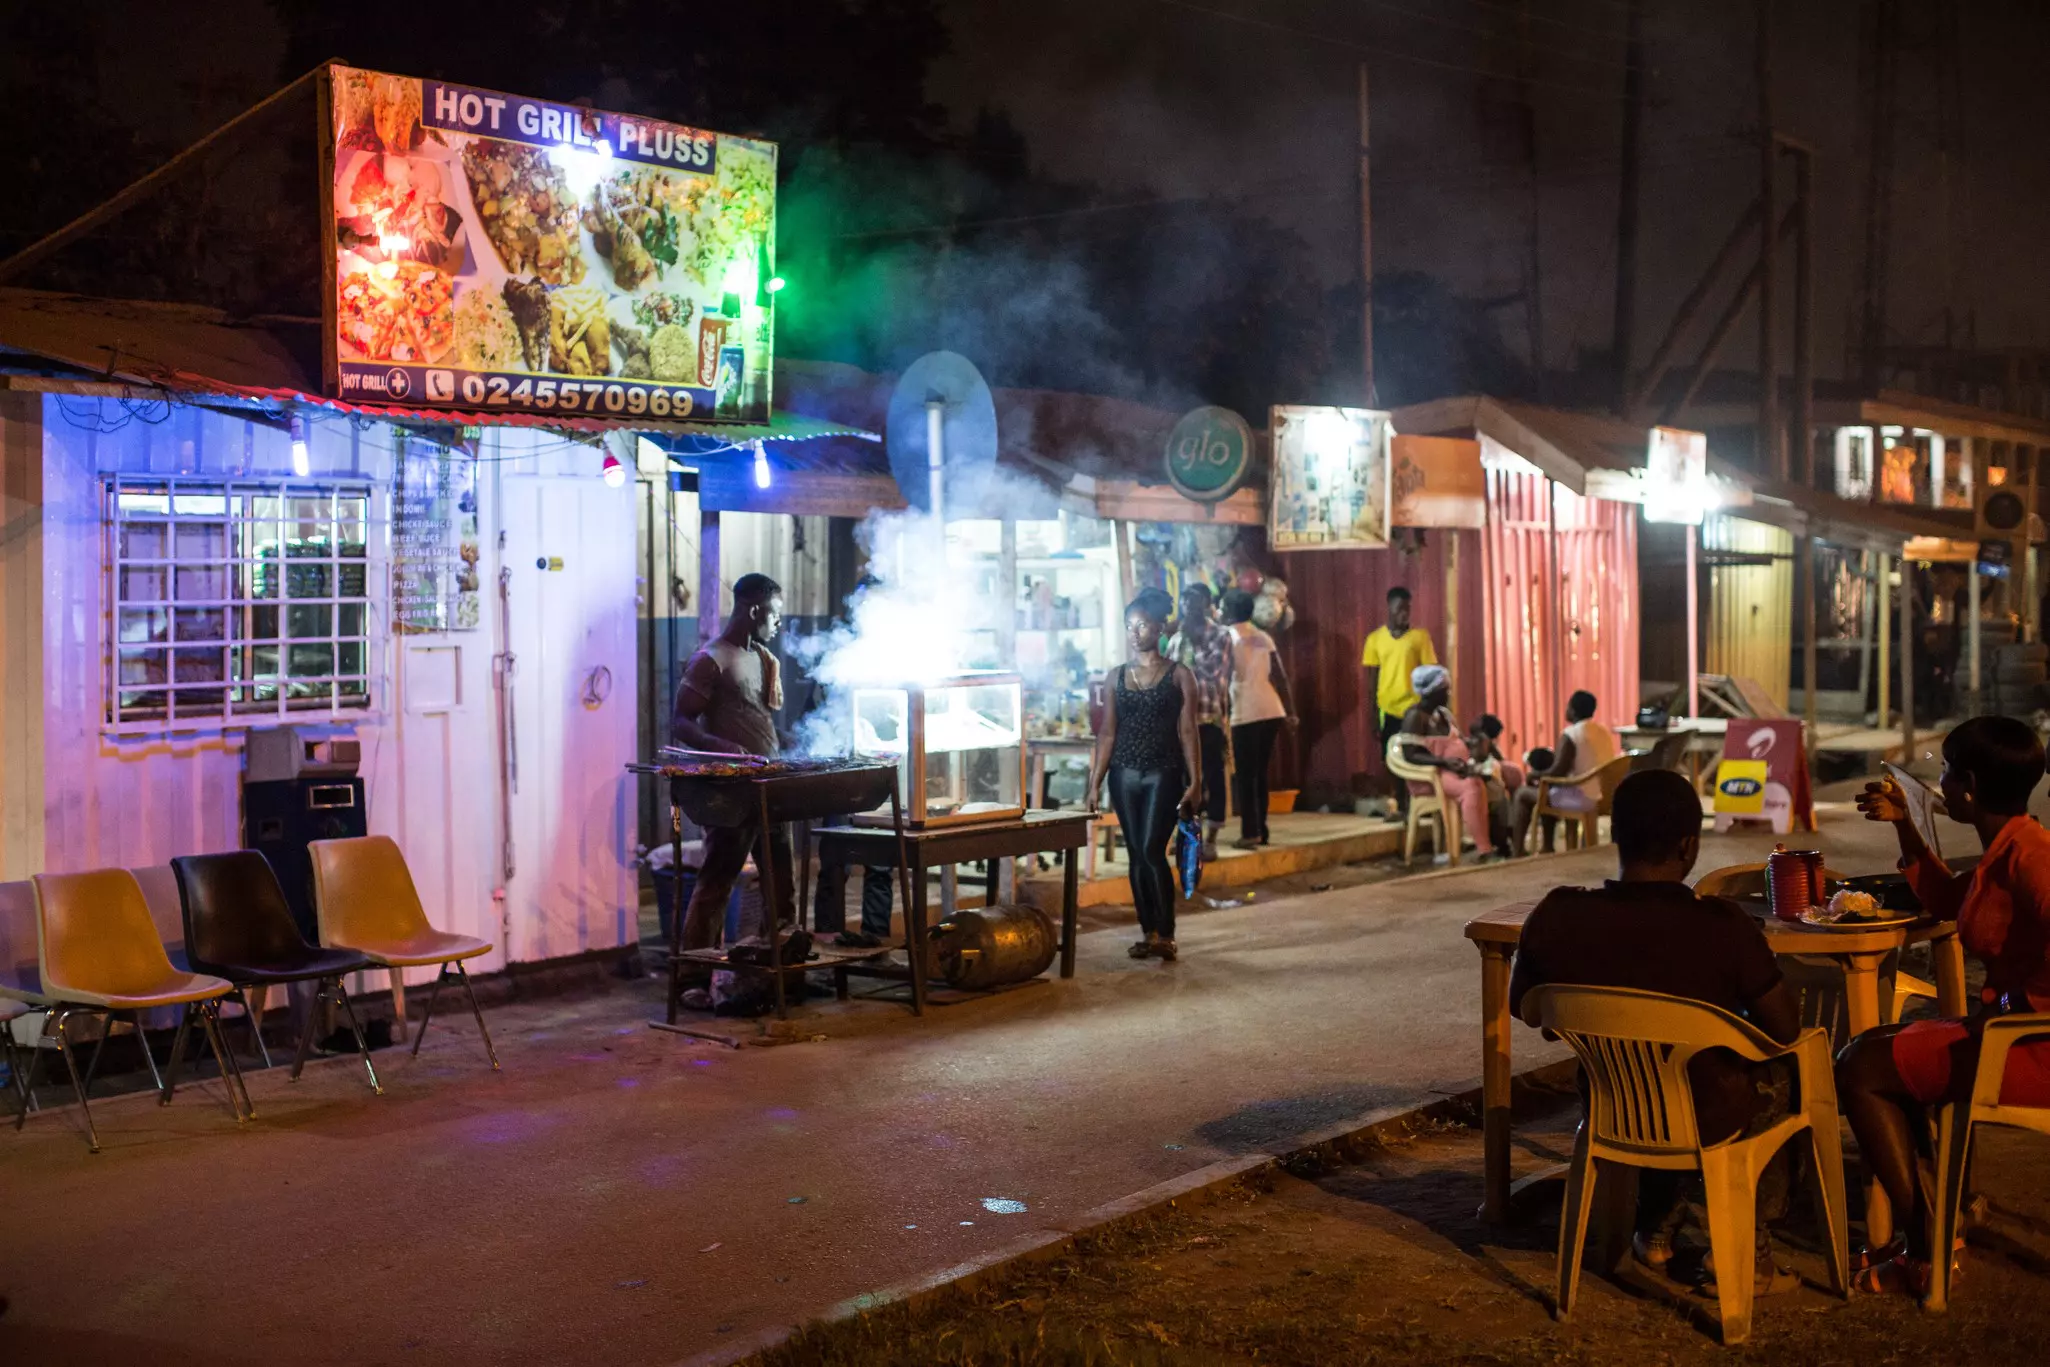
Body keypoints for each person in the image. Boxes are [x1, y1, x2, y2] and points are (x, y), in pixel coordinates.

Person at [1510, 768, 1803, 1294]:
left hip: (1611, 1104)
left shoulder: (1558, 915)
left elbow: (1528, 1010)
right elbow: (1782, 1028)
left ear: (1616, 835)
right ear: (1689, 846)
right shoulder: (1723, 925)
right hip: (1710, 1114)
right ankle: (1746, 1253)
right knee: (1784, 1069)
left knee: (1659, 1075)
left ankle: (1656, 1230)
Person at [1836, 716, 2050, 1295]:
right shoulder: (2009, 846)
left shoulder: (2031, 857)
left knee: (1858, 1067)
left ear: (1972, 785)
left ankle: (1923, 1249)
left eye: (1950, 770)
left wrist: (2016, 1004)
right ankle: (1934, 1222)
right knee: (1873, 1049)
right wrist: (1907, 825)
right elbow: (1950, 901)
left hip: (2030, 1049)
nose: (1944, 782)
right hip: (2011, 1033)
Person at [670, 573, 795, 1010]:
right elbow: (681, 722)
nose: (779, 623)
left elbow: (758, 720)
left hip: (770, 786)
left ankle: (782, 971)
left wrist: (789, 742)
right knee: (717, 881)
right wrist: (719, 745)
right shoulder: (711, 660)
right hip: (730, 793)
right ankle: (692, 979)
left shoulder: (764, 659)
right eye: (775, 614)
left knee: (781, 882)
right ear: (755, 610)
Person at [1088, 589, 1203, 962]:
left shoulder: (1179, 675)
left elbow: (1189, 731)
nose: (1135, 632)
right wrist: (1095, 783)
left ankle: (1166, 934)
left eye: (1142, 625)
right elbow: (1107, 732)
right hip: (1123, 775)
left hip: (1163, 773)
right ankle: (1148, 931)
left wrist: (1196, 782)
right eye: (1129, 626)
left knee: (1153, 850)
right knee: (1135, 854)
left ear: (1160, 626)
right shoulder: (1116, 677)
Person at [1396, 666, 1500, 860]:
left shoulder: (1444, 714)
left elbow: (1458, 740)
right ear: (1431, 692)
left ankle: (1493, 841)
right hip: (1431, 777)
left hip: (1452, 770)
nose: (1449, 694)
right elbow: (1410, 754)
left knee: (1488, 782)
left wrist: (1476, 749)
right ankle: (1484, 849)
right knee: (1471, 787)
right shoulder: (1415, 716)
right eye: (1445, 690)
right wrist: (1443, 762)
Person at [1220, 588, 1295, 849]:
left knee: (1245, 775)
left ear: (1228, 611)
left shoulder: (1227, 638)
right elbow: (1281, 677)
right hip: (1271, 708)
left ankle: (1249, 832)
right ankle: (1261, 830)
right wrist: (1291, 711)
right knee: (1260, 774)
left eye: (1221, 607)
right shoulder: (1263, 637)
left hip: (1245, 710)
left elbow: (1224, 675)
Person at [1164, 582, 1233, 859]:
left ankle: (1211, 840)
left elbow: (1215, 674)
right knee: (1182, 780)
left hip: (1208, 718)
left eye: (1194, 602)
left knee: (1213, 779)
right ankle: (1186, 836)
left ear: (1206, 604)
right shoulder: (1176, 640)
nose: (1187, 608)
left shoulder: (1220, 635)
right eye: (1184, 602)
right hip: (1180, 722)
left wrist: (1195, 641)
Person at [1509, 690, 1619, 856]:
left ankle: (1517, 852)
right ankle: (1546, 847)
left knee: (1523, 794)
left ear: (1573, 710)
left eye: (1568, 706)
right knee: (1548, 792)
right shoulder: (1602, 731)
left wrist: (1534, 775)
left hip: (1583, 799)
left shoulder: (1571, 734)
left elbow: (1557, 772)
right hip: (1605, 797)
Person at [1360, 586, 1438, 806]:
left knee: (1412, 755)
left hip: (1413, 709)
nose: (1405, 613)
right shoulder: (1375, 639)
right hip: (1388, 708)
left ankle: (1412, 803)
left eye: (1408, 609)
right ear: (1390, 609)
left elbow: (1430, 674)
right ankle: (1399, 800)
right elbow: (1371, 680)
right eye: (1400, 609)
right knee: (1391, 759)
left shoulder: (1420, 638)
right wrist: (1373, 712)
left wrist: (1429, 709)